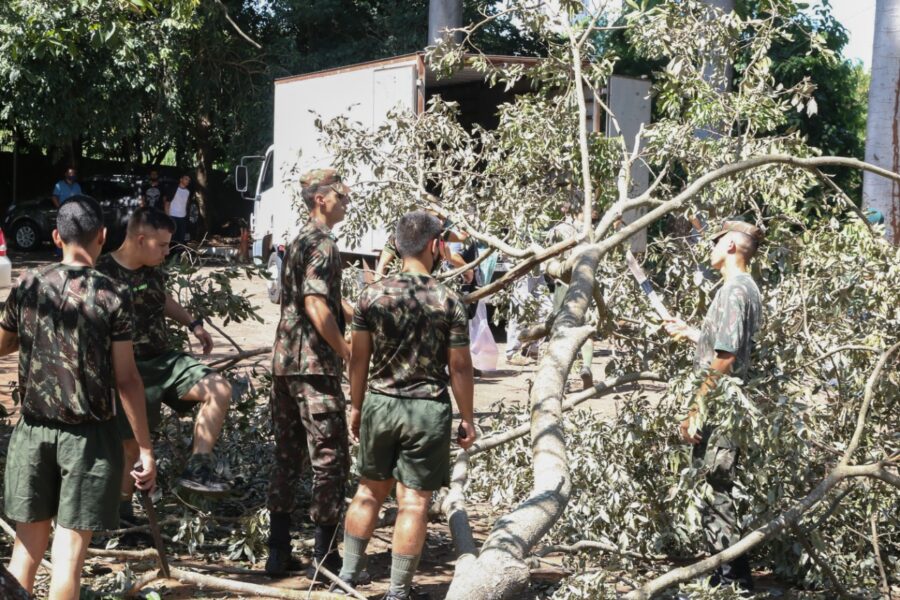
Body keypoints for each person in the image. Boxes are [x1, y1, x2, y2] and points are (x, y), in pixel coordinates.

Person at [0, 196, 156, 597]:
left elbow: (2, 344)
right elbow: (127, 379)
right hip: (88, 439)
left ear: (56, 237)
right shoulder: (112, 294)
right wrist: (144, 448)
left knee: (25, 553)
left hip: (32, 434)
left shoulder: (28, 285)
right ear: (102, 235)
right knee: (68, 557)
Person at [338, 211, 477, 599]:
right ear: (435, 246)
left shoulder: (370, 296)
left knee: (368, 492)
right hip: (426, 411)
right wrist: (467, 418)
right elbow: (460, 366)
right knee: (413, 504)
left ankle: (347, 577)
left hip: (379, 405)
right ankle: (398, 593)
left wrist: (355, 406)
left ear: (397, 246)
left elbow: (358, 359)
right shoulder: (448, 300)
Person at [95, 208, 233, 515]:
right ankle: (121, 514)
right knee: (131, 448)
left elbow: (162, 297)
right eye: (161, 245)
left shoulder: (152, 268)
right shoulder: (101, 274)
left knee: (219, 389)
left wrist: (193, 324)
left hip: (163, 361)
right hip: (125, 370)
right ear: (140, 239)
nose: (167, 251)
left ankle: (198, 467)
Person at [664, 220, 764, 592]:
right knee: (716, 490)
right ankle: (727, 575)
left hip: (720, 409)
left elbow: (727, 356)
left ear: (731, 247)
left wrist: (696, 410)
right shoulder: (743, 288)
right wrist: (694, 333)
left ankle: (732, 583)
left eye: (715, 242)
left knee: (715, 489)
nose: (711, 248)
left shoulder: (735, 289)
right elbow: (724, 342)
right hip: (728, 405)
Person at [265, 168, 353, 577]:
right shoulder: (323, 244)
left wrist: (357, 312)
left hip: (285, 365)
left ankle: (277, 551)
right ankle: (325, 557)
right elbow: (316, 305)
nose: (347, 202)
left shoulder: (300, 239)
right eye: (341, 196)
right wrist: (346, 350)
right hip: (314, 368)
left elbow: (317, 297)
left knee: (286, 457)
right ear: (321, 199)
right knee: (329, 461)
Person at [166, 175, 191, 244]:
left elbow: (186, 203)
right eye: (186, 179)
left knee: (181, 237)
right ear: (181, 179)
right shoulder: (174, 189)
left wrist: (186, 215)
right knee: (173, 237)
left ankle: (180, 250)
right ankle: (172, 250)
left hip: (183, 217)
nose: (188, 181)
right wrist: (168, 217)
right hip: (173, 216)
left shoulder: (187, 192)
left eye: (189, 180)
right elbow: (167, 203)